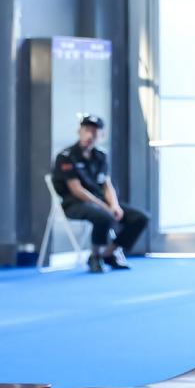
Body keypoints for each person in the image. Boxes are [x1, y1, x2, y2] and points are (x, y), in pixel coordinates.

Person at [51, 115, 148, 273]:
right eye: (87, 130)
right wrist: (105, 207)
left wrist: (114, 205)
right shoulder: (66, 157)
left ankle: (108, 253)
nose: (90, 135)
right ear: (79, 132)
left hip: (100, 202)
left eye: (94, 131)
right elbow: (77, 190)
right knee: (104, 216)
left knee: (140, 217)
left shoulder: (101, 156)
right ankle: (95, 257)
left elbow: (106, 184)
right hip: (74, 203)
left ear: (100, 135)